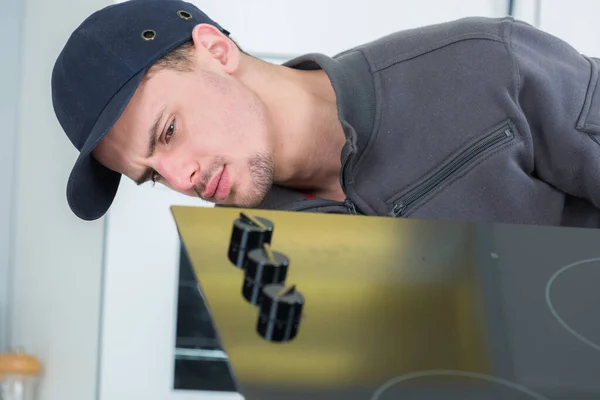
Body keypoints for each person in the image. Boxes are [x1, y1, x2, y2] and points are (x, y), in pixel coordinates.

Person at [51, 0, 600, 228]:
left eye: (168, 132)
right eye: (150, 176)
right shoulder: (257, 251)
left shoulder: (482, 64)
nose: (180, 179)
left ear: (216, 51)